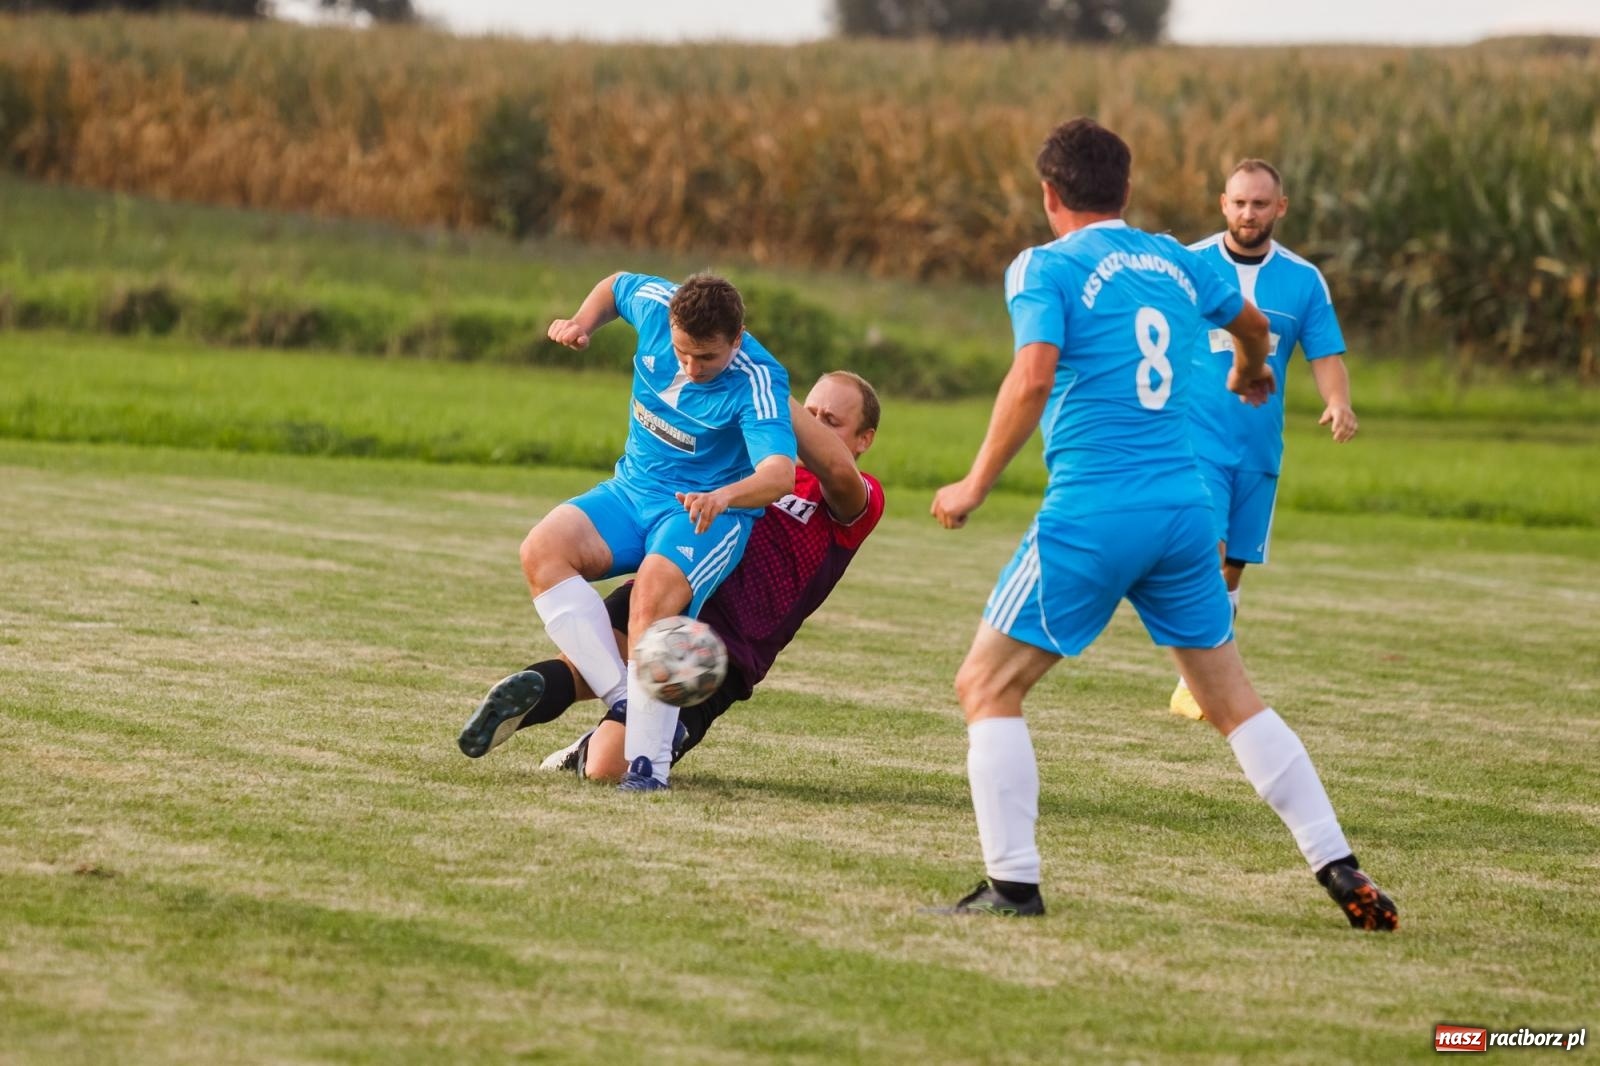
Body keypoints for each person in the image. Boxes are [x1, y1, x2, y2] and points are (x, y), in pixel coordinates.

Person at [928, 118, 1397, 930]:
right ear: (1128, 190)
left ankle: (1012, 887)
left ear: (1049, 195)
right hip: (1185, 514)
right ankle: (1336, 861)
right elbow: (1254, 324)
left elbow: (1033, 376)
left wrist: (973, 482)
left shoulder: (1043, 266)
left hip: (1095, 511)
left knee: (986, 686)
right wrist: (1253, 372)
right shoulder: (1174, 259)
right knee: (1233, 701)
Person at [458, 372, 884, 780]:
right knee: (585, 671)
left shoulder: (857, 496)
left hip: (720, 651)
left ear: (864, 439)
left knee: (606, 768)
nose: (813, 425)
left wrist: (766, 381)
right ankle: (526, 699)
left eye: (830, 421)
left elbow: (837, 470)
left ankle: (588, 749)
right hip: (659, 596)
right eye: (810, 412)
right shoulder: (753, 456)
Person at [507, 271, 795, 792]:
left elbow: (779, 473)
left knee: (651, 604)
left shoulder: (759, 379)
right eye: (684, 353)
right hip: (632, 490)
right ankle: (621, 694)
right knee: (541, 550)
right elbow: (616, 285)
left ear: (737, 336)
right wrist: (581, 321)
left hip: (702, 513)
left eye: (707, 357)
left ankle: (648, 768)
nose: (692, 366)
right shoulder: (656, 305)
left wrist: (724, 496)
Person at [1169, 159, 1359, 721]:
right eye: (1238, 202)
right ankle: (1193, 683)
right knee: (1208, 551)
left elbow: (1326, 355)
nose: (1247, 213)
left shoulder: (1303, 280)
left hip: (1257, 449)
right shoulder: (1190, 265)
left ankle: (1202, 674)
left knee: (1232, 569)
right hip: (1193, 438)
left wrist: (1338, 402)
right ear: (1222, 204)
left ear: (1280, 208)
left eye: (1259, 203)